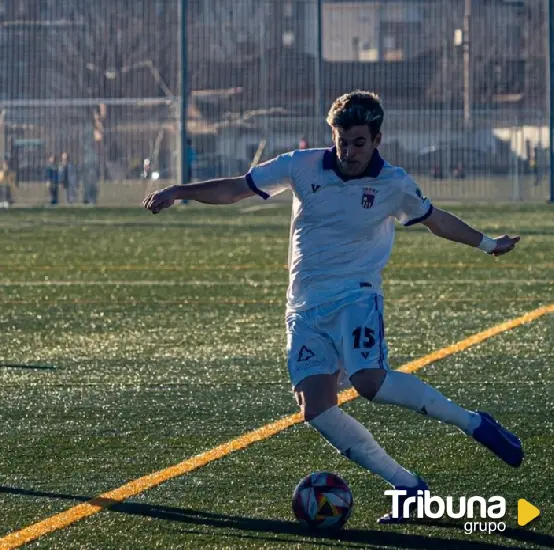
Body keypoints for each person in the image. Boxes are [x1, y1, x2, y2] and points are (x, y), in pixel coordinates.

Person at [143, 90, 523, 523]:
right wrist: (179, 191)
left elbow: (437, 221)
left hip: (355, 297)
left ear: (377, 138)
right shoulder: (301, 165)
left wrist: (490, 244)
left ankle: (473, 423)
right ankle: (408, 486)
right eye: (342, 141)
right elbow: (237, 187)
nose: (349, 151)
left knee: (368, 382)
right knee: (316, 407)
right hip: (302, 308)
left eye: (359, 142)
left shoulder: (393, 183)